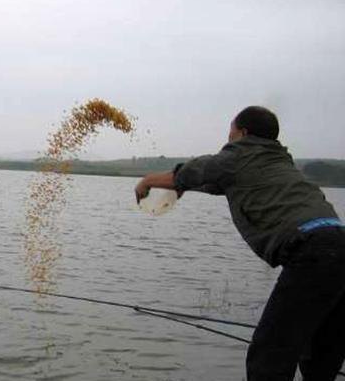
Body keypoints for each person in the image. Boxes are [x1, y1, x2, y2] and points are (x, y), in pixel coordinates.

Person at [134, 106, 345, 380]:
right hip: (338, 246)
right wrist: (183, 186)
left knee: (268, 356)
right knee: (321, 356)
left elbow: (195, 171)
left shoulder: (241, 153)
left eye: (231, 132)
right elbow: (218, 181)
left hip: (313, 252)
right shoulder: (277, 161)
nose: (228, 139)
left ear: (243, 133)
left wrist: (148, 181)